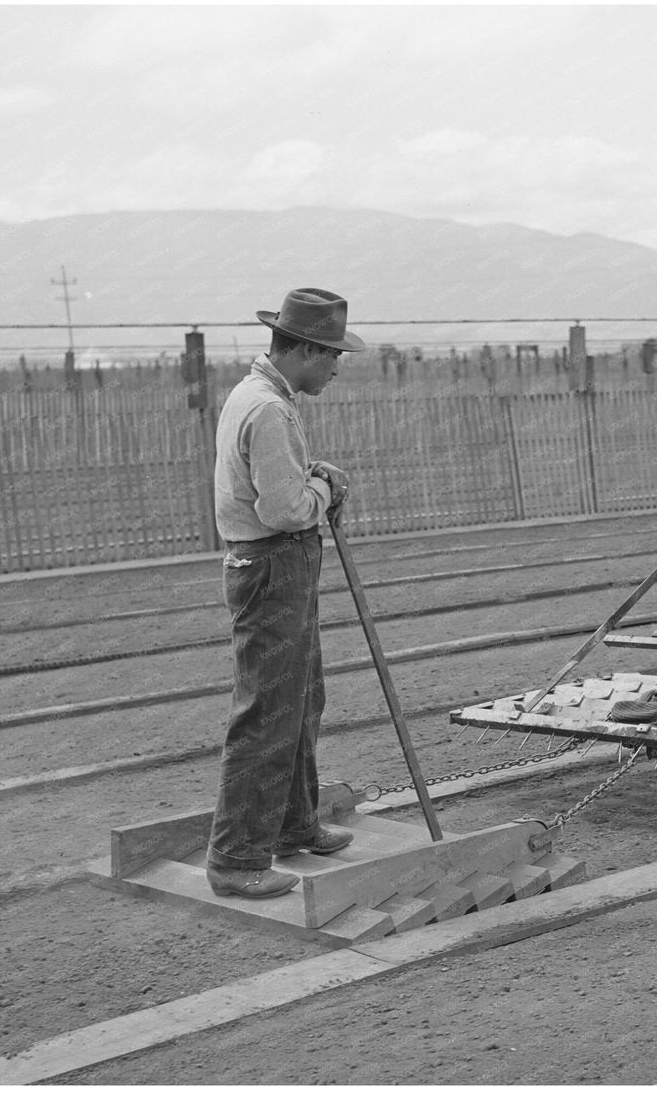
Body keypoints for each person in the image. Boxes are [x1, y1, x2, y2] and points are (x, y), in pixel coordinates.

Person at [205, 287, 365, 900]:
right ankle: (238, 858)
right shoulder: (267, 409)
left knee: (302, 699)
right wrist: (322, 491)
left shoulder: (265, 396)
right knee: (269, 714)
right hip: (272, 566)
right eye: (330, 355)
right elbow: (286, 508)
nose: (334, 366)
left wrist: (312, 474)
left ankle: (294, 825)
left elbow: (278, 484)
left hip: (278, 567)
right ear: (301, 348)